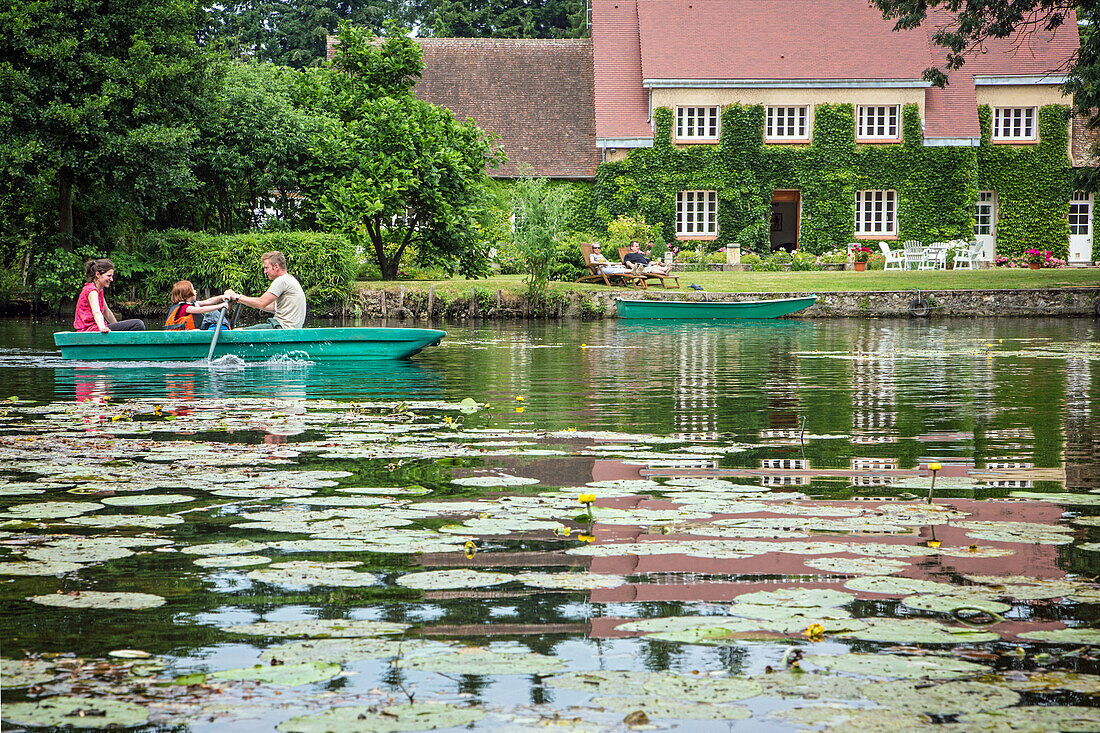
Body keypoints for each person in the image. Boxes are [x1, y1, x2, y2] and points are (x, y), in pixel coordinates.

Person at [226, 251, 306, 329]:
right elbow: (272, 307)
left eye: (266, 268)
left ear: (276, 267)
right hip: (289, 329)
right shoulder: (290, 279)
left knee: (239, 331)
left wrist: (236, 296)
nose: (265, 272)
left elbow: (261, 303)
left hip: (281, 328)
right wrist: (243, 300)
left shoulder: (281, 280)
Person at [73, 259, 146, 333]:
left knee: (137, 325)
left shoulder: (99, 291)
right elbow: (96, 312)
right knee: (138, 324)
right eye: (109, 276)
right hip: (91, 331)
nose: (111, 279)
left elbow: (107, 312)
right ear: (98, 275)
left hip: (96, 329)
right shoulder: (92, 291)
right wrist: (102, 327)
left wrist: (119, 330)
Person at [164, 280, 232, 331]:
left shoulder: (192, 304)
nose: (195, 291)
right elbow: (202, 310)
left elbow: (208, 301)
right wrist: (220, 306)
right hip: (184, 334)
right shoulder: (185, 308)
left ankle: (221, 327)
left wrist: (221, 297)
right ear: (187, 293)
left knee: (214, 315)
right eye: (193, 289)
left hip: (192, 331)